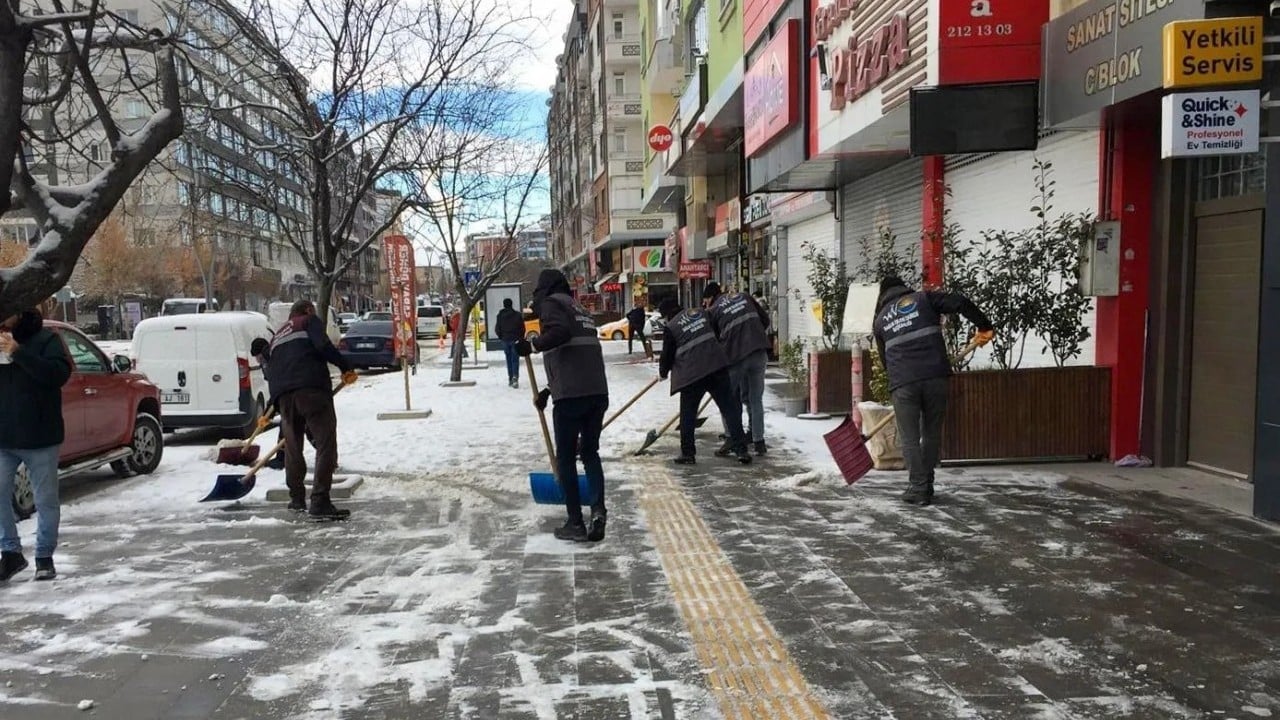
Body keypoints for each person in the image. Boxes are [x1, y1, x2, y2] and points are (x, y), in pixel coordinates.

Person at [872, 276, 994, 506]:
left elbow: (885, 359)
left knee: (909, 438)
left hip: (903, 382)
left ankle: (918, 487)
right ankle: (926, 484)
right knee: (931, 433)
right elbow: (959, 302)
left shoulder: (880, 321)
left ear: (883, 295)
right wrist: (984, 325)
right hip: (935, 376)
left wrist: (899, 381)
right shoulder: (924, 299)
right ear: (903, 287)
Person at [517, 270, 609, 543]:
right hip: (596, 392)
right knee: (590, 452)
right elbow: (575, 354)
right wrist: (548, 390)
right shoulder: (578, 308)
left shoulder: (552, 304)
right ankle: (598, 510)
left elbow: (560, 333)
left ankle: (575, 522)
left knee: (566, 458)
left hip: (571, 396)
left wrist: (533, 345)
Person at [260, 300, 358, 519]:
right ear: (308, 310)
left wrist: (273, 402)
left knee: (292, 448)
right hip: (311, 390)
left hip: (284, 396)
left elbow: (272, 367)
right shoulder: (308, 321)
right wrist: (345, 366)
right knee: (326, 443)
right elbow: (323, 345)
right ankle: (320, 501)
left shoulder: (277, 335)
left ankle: (296, 499)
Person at [0, 309, 72, 581]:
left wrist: (19, 353)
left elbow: (57, 375)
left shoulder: (46, 339)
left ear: (18, 312)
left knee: (45, 500)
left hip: (40, 435)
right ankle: (10, 553)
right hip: (4, 437)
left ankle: (44, 557)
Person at [657, 297, 752, 466]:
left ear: (666, 315)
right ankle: (741, 450)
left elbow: (667, 355)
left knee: (688, 415)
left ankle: (688, 454)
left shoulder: (671, 328)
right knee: (729, 409)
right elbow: (716, 333)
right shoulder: (702, 313)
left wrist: (663, 372)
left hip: (692, 375)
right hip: (717, 367)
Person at [704, 282, 771, 456]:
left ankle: (731, 438)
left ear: (711, 298)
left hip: (735, 357)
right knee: (755, 399)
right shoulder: (745, 297)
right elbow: (765, 320)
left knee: (728, 399)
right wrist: (752, 335)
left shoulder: (713, 310)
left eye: (706, 301)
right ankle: (758, 441)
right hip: (759, 352)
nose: (705, 305)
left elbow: (714, 340)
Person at [495, 298, 525, 388]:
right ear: (512, 304)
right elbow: (522, 328)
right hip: (515, 340)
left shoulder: (500, 316)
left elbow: (497, 328)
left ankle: (510, 377)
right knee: (515, 359)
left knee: (508, 359)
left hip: (505, 340)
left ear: (504, 305)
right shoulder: (517, 315)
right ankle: (515, 377)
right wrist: (520, 338)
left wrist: (501, 337)